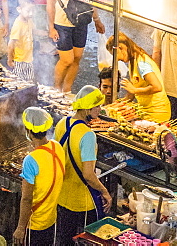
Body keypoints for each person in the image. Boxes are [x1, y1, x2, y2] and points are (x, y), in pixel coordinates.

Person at [55, 86, 111, 243]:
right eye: (97, 106)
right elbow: (88, 175)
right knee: (90, 239)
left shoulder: (62, 123)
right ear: (87, 108)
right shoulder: (88, 135)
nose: (100, 109)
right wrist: (104, 191)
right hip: (82, 201)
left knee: (65, 239)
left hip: (62, 194)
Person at [14, 107, 64, 246]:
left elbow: (27, 198)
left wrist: (20, 228)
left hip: (34, 224)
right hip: (51, 220)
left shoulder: (31, 160)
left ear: (28, 131)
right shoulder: (57, 147)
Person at [50, 0, 103, 94]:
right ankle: (56, 88)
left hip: (81, 21)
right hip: (62, 23)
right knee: (67, 60)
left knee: (77, 57)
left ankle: (67, 89)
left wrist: (97, 20)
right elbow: (50, 3)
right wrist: (51, 27)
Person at [110, 32, 171, 123]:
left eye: (115, 55)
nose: (117, 59)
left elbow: (157, 87)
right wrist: (122, 102)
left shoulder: (142, 63)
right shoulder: (132, 61)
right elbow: (134, 89)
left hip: (157, 113)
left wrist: (134, 90)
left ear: (121, 48)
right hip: (146, 111)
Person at [7, 0, 36, 83]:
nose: (31, 14)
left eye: (32, 11)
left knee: (30, 81)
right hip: (19, 60)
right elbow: (10, 44)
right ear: (19, 9)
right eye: (28, 11)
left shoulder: (29, 20)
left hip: (28, 59)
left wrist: (48, 33)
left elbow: (34, 31)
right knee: (18, 82)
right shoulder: (18, 25)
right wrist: (10, 59)